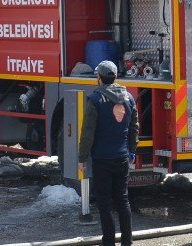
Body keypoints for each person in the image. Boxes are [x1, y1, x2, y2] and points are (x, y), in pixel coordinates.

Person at [77, 60, 139, 246]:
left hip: (102, 159)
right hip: (121, 157)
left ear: (99, 78)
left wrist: (82, 157)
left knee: (104, 202)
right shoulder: (128, 98)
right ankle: (127, 242)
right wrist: (131, 151)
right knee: (123, 199)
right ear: (115, 77)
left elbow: (88, 131)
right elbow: (134, 127)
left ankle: (109, 243)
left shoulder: (95, 100)